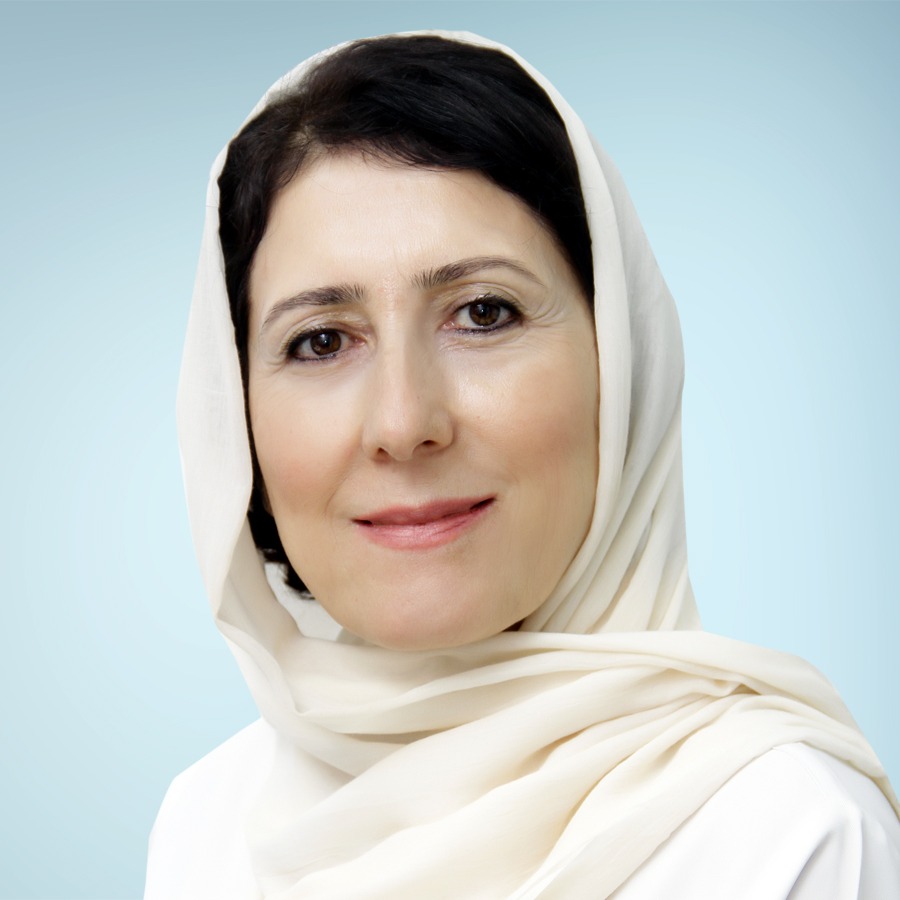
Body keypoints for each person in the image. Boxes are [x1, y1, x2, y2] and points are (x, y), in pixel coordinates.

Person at [146, 31, 900, 898]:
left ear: (620, 360)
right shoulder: (206, 827)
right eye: (320, 341)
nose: (403, 423)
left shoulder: (792, 835)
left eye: (484, 313)